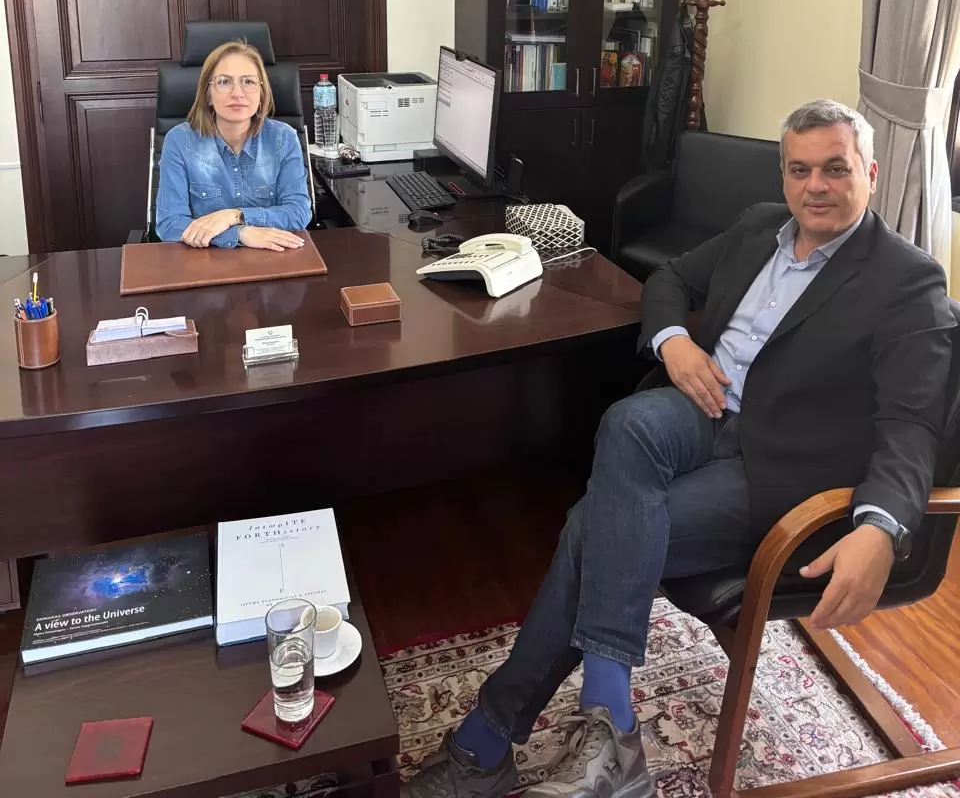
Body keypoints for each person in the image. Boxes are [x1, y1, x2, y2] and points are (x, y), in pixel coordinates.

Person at [403, 99, 954, 798]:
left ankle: (497, 739)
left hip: (782, 468)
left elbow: (912, 425)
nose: (815, 185)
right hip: (706, 406)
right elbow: (669, 280)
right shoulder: (759, 226)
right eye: (800, 169)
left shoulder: (907, 279)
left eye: (835, 169)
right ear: (784, 176)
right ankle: (608, 725)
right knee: (628, 421)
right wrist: (676, 343)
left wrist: (880, 527)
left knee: (591, 529)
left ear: (870, 174)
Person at [156, 40, 311, 250]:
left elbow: (298, 213)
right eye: (224, 82)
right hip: (202, 261)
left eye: (248, 82)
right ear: (208, 94)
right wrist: (240, 233)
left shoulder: (283, 138)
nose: (237, 93)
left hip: (272, 259)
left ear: (261, 93)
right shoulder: (180, 141)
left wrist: (234, 216)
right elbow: (169, 224)